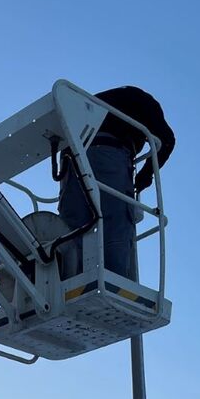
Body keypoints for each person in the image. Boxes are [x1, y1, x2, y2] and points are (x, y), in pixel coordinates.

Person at [58, 86, 175, 281]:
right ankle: (116, 284)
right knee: (116, 224)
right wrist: (145, 176)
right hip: (109, 153)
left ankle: (70, 282)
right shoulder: (146, 103)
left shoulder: (96, 102)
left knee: (73, 229)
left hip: (70, 159)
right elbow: (167, 141)